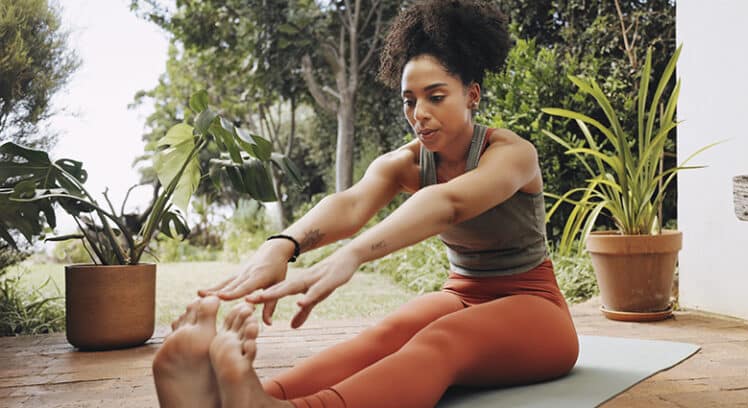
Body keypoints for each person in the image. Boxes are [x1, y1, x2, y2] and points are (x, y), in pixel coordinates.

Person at [152, 1, 579, 407]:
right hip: (462, 294)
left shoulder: (511, 154)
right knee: (383, 336)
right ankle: (240, 398)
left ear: (471, 95)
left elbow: (449, 203)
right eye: (409, 100)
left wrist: (352, 254)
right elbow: (351, 203)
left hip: (535, 306)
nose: (419, 113)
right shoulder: (407, 162)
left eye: (436, 96)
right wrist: (282, 244)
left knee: (443, 339)